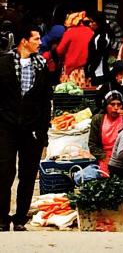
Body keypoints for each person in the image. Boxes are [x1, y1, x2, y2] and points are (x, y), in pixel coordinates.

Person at [0, 25, 53, 231]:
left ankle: (20, 218)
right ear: (24, 41)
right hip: (6, 126)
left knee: (28, 173)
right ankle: (2, 218)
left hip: (32, 129)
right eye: (36, 39)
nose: (40, 43)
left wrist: (43, 133)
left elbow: (45, 101)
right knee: (4, 172)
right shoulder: (3, 64)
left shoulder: (41, 66)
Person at [89, 90, 123, 174]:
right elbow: (92, 144)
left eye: (119, 104)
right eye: (112, 104)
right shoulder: (97, 119)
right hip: (105, 157)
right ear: (106, 106)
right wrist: (104, 158)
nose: (116, 108)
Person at [56, 12, 94, 87]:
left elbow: (59, 50)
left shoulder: (69, 32)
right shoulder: (91, 32)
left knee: (71, 93)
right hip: (88, 70)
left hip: (72, 70)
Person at [85, 12, 113, 86]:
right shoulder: (102, 35)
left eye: (92, 22)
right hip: (100, 71)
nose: (90, 24)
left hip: (99, 73)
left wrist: (90, 70)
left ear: (99, 23)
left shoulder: (101, 37)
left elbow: (98, 56)